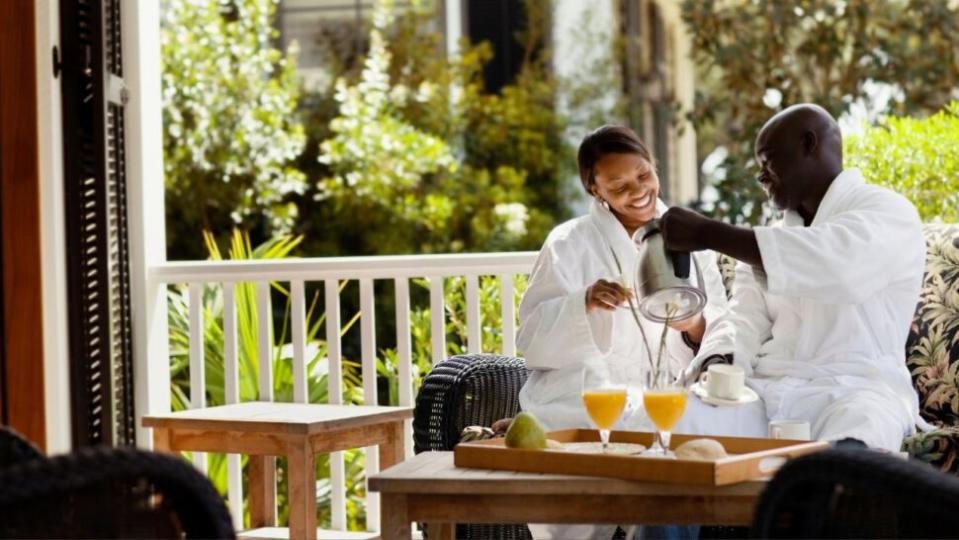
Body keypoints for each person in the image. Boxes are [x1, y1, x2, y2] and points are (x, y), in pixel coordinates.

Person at [661, 103, 926, 452]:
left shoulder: (888, 211)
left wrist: (708, 233)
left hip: (856, 389)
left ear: (809, 144)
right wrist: (720, 357)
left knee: (859, 437)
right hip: (766, 389)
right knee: (675, 422)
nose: (760, 177)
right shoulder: (767, 241)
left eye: (768, 162)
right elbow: (745, 317)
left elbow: (835, 265)